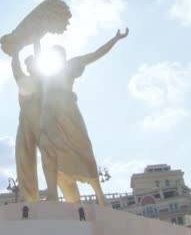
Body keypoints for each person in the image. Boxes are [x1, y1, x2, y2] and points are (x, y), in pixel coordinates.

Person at [39, 28, 129, 206]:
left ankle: (100, 195)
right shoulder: (45, 74)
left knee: (82, 145)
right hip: (50, 112)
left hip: (68, 108)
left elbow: (96, 54)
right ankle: (61, 194)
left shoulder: (72, 64)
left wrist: (115, 38)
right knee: (51, 149)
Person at [11, 47, 42, 202]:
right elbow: (16, 68)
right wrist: (15, 51)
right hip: (25, 121)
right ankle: (29, 195)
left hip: (44, 122)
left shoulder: (46, 81)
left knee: (52, 156)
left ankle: (55, 193)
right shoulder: (24, 80)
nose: (30, 67)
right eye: (28, 65)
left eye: (33, 64)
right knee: (23, 156)